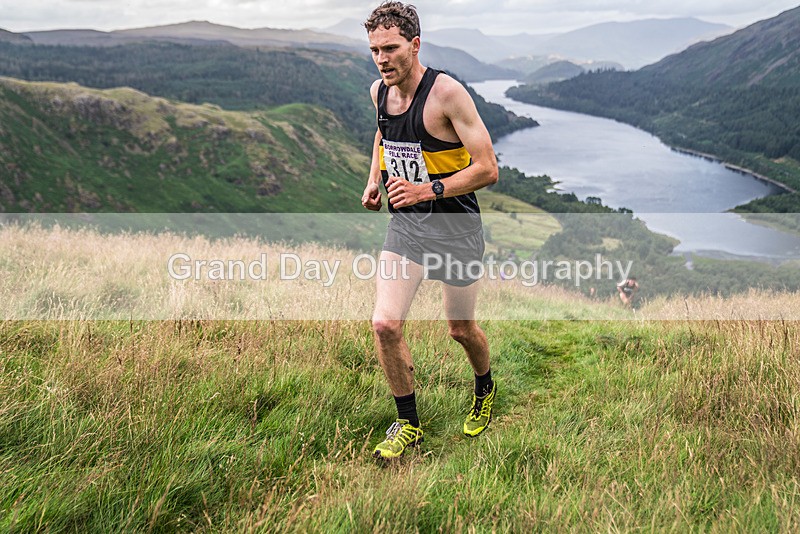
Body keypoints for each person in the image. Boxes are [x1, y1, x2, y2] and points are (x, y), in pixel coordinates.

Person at [361, 2, 500, 460]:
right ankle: (409, 424)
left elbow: (488, 169)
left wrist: (426, 190)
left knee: (460, 329)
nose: (382, 59)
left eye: (391, 48)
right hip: (408, 229)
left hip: (456, 227)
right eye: (375, 50)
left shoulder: (447, 95)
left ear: (414, 45)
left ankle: (484, 388)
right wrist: (374, 179)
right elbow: (384, 134)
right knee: (384, 324)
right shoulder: (379, 92)